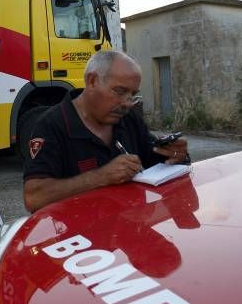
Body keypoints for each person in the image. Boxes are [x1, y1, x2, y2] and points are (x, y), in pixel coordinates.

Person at [22, 50, 189, 213]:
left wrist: (174, 155)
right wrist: (101, 177)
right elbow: (34, 198)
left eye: (133, 95)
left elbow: (154, 161)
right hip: (80, 235)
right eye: (120, 91)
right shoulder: (51, 126)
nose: (127, 103)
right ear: (92, 81)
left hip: (130, 227)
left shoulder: (128, 118)